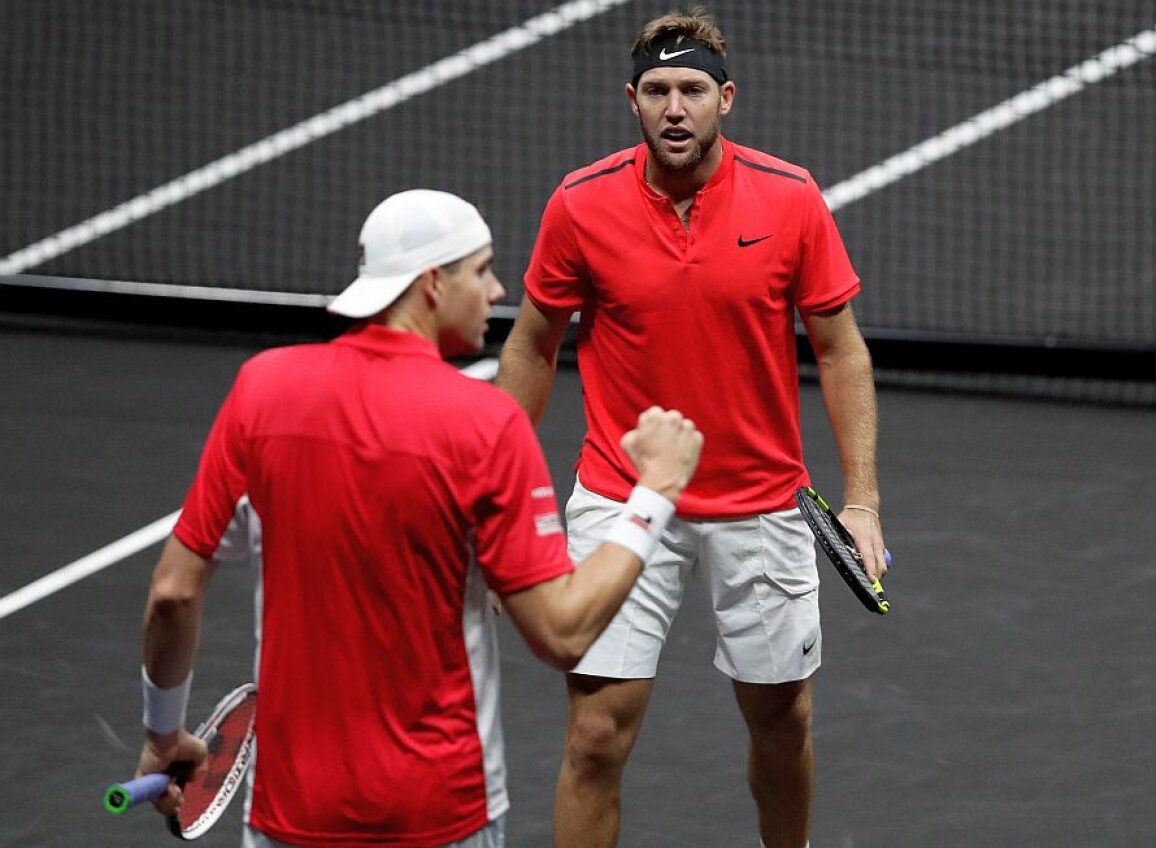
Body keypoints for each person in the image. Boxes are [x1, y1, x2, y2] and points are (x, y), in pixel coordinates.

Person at [132, 188, 703, 848]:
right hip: (441, 809)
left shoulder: (262, 390)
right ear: (433, 281)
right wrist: (654, 494)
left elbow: (172, 594)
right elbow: (563, 632)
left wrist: (162, 734)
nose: (494, 292)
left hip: (289, 813)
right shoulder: (485, 424)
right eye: (482, 269)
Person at [496, 7, 887, 847]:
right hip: (622, 496)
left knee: (782, 724)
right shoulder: (579, 204)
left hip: (762, 506)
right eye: (659, 90)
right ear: (631, 100)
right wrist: (503, 494)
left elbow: (842, 351)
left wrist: (862, 502)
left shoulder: (791, 198)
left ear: (727, 99)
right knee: (594, 736)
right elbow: (532, 344)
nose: (676, 107)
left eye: (694, 90)